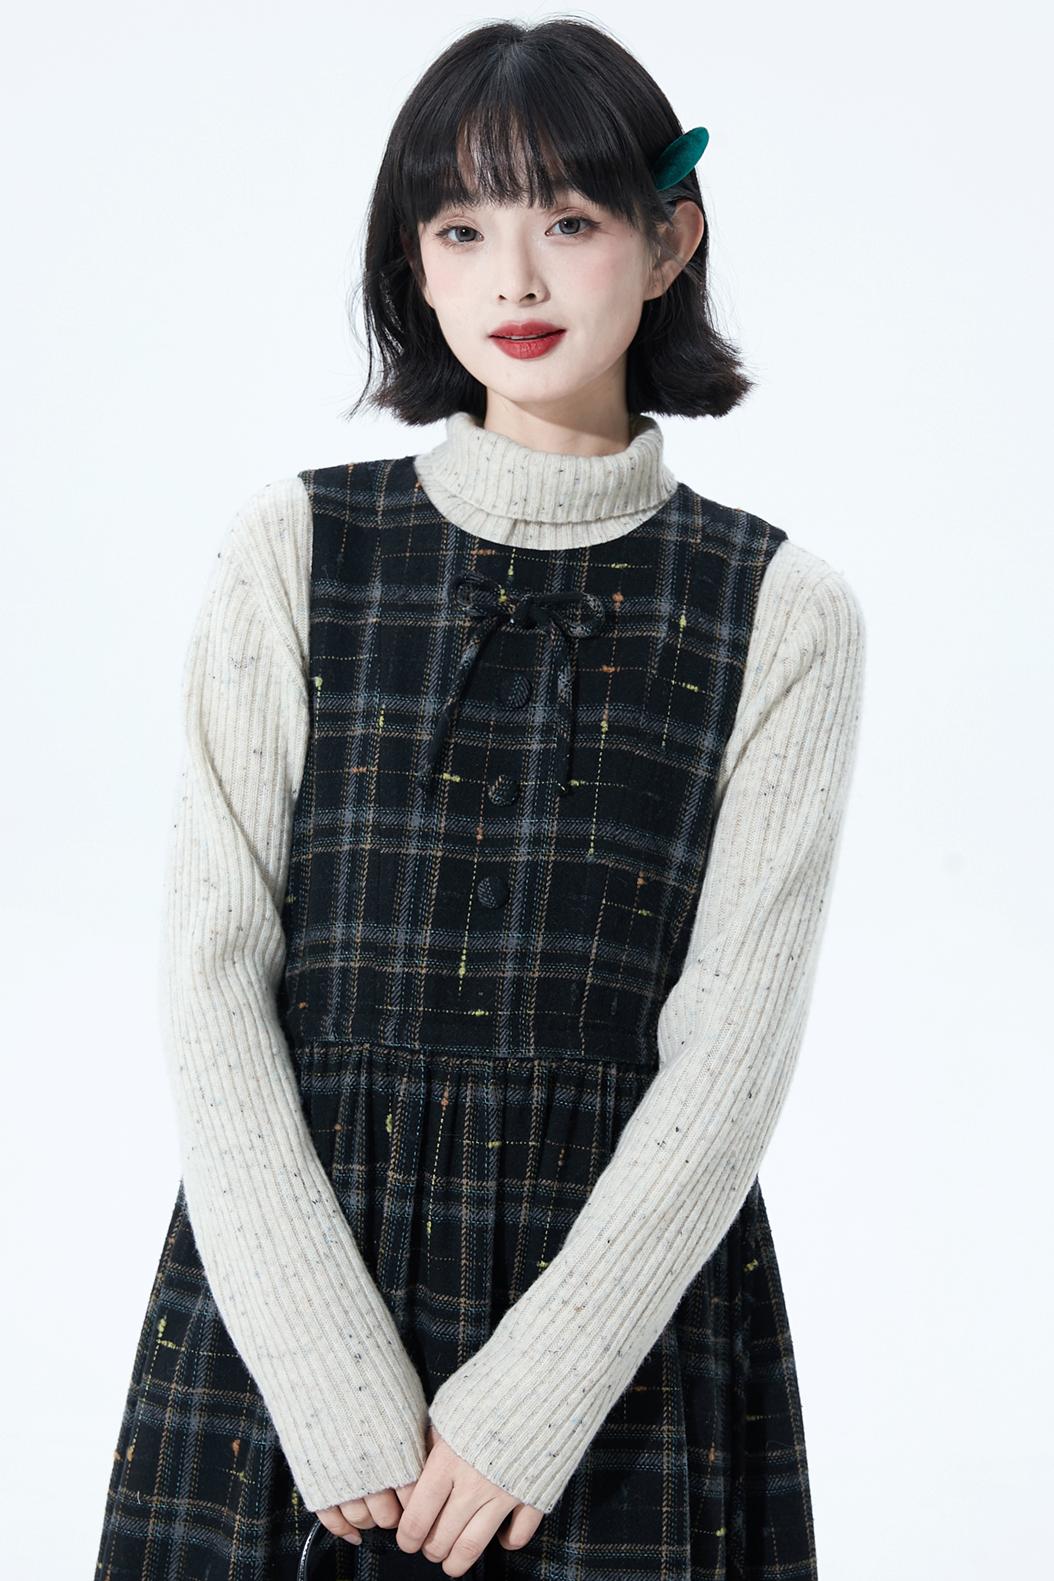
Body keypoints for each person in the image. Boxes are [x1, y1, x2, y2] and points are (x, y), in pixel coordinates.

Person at [94, 16, 865, 1581]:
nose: (514, 279)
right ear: (415, 264)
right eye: (461, 229)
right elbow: (210, 973)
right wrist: (324, 1372)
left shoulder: (780, 607)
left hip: (621, 1343)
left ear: (667, 240)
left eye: (567, 222)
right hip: (292, 1315)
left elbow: (731, 1055)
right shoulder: (294, 548)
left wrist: (532, 1399)